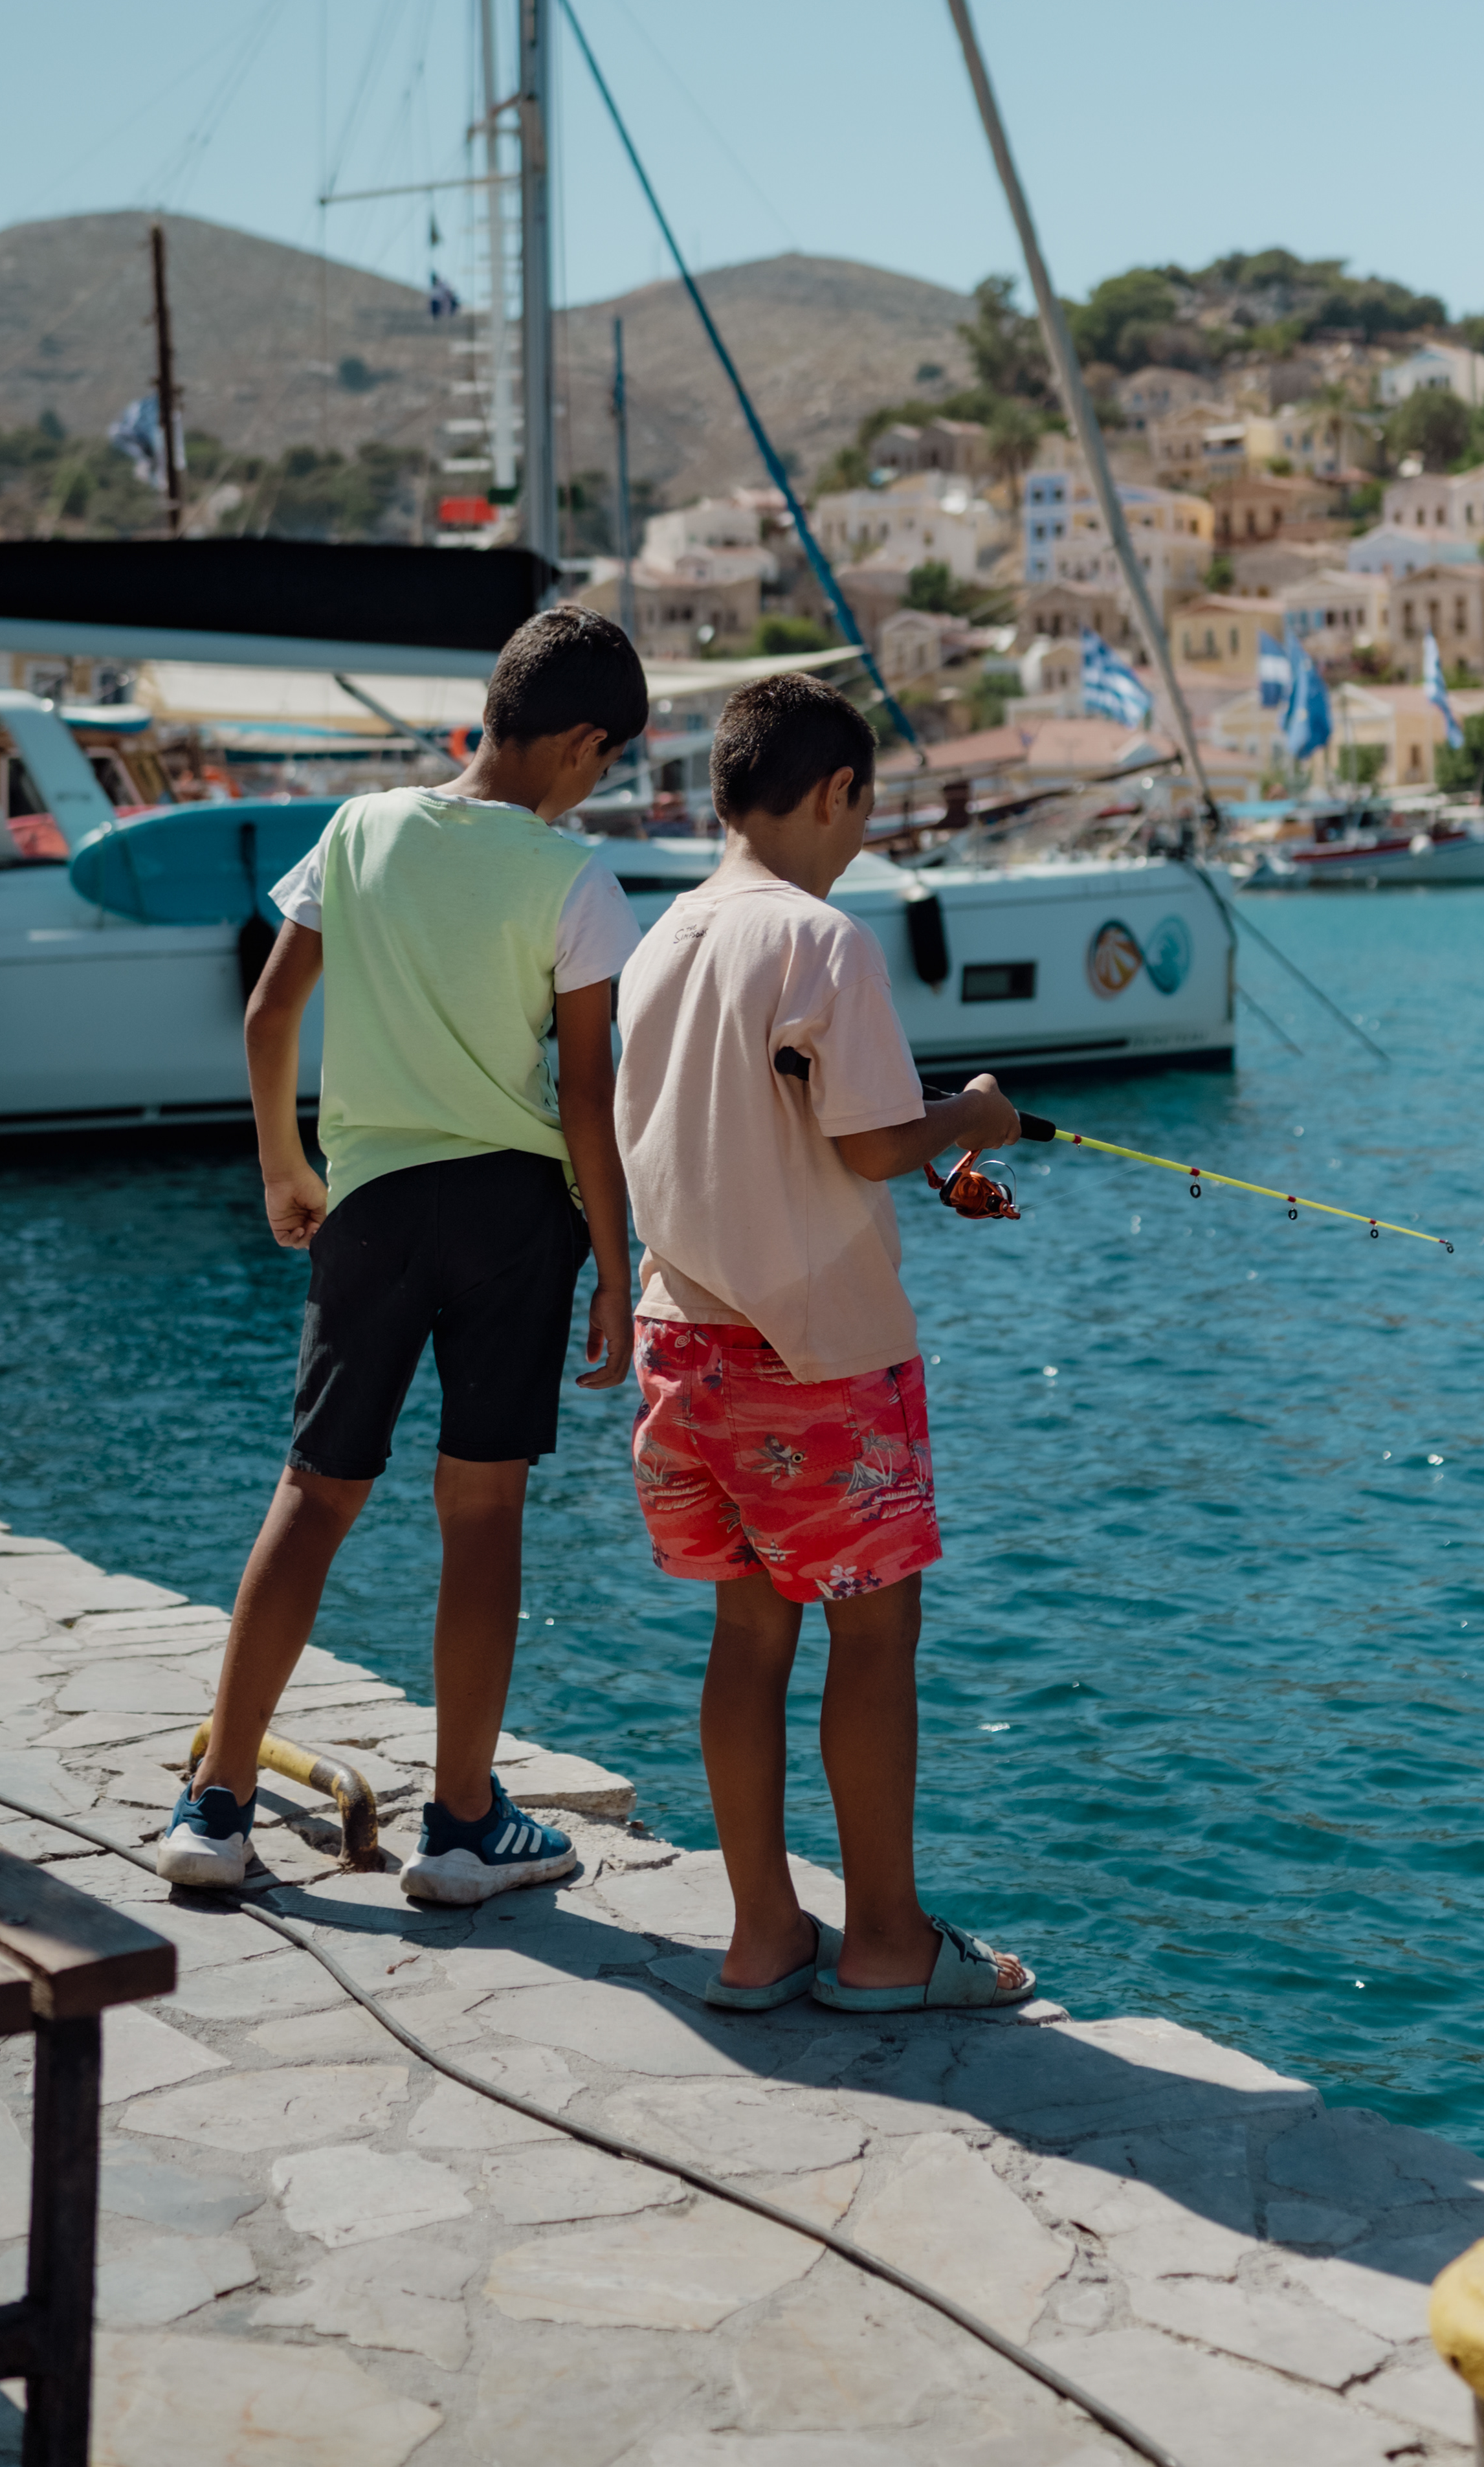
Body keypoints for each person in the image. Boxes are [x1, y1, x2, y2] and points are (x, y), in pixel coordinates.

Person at [159, 607, 647, 1903]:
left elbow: (271, 1012)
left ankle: (217, 1807)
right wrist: (617, 1261)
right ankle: (462, 1824)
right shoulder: (576, 879)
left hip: (368, 1205)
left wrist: (283, 1164)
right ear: (585, 742)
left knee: (313, 1492)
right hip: (511, 1215)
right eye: (606, 760)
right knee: (481, 1511)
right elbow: (588, 1099)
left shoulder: (361, 826)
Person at [615, 669, 1035, 2013]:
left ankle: (759, 1936)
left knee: (746, 1636)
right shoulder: (823, 938)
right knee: (873, 1638)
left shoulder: (660, 936)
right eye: (866, 806)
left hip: (683, 1343)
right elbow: (860, 1136)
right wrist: (968, 1120)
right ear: (834, 789)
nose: (864, 836)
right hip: (819, 1363)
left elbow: (765, 1132)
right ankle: (887, 1943)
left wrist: (905, 1151)